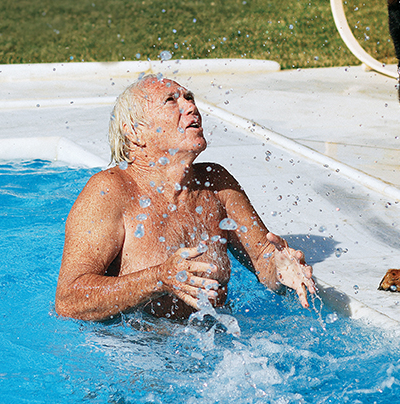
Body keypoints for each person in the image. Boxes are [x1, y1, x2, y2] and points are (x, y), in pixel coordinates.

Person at [54, 74, 316, 321]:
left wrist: (282, 269)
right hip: (132, 346)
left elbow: (262, 258)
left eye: (189, 98)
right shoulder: (109, 191)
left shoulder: (215, 183)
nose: (190, 107)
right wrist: (158, 278)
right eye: (171, 100)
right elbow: (68, 300)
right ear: (134, 132)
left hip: (212, 338)